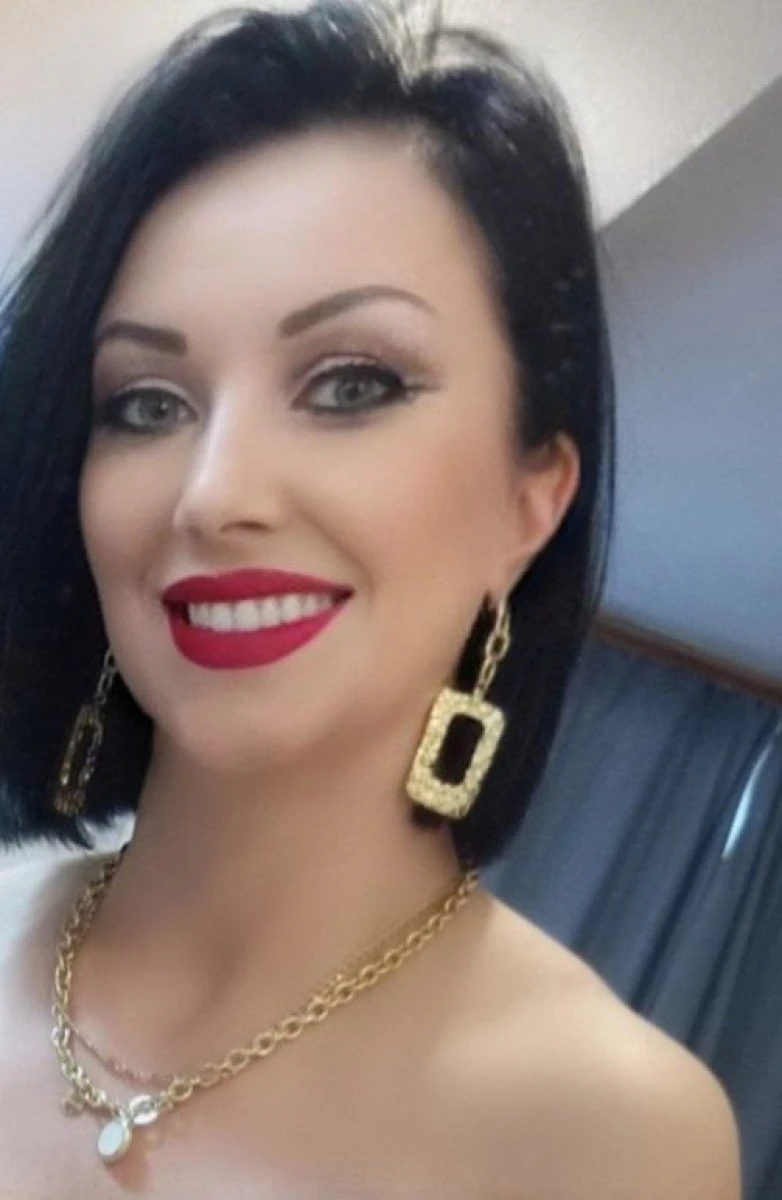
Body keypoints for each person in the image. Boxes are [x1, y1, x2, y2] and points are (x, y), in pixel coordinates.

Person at [0, 1, 740, 1196]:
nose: (214, 493)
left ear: (529, 501)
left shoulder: (612, 1134)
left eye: (352, 385)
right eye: (144, 403)